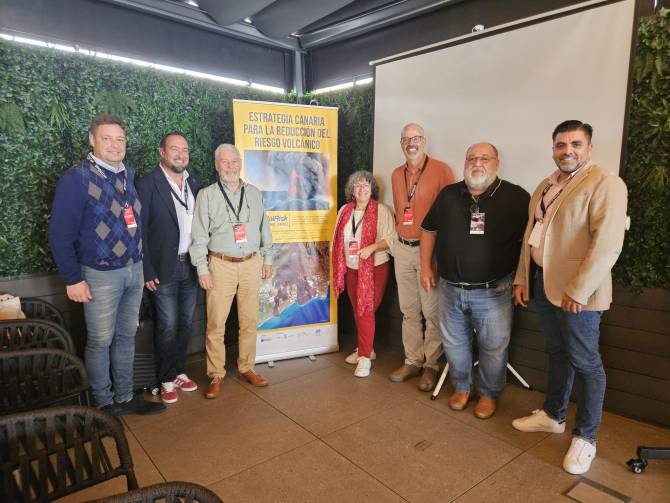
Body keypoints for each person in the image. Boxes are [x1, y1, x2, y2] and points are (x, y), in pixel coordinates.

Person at [512, 120, 628, 475]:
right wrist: (522, 278)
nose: (568, 151)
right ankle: (553, 415)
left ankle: (586, 437)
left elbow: (607, 243)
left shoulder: (605, 182)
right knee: (557, 353)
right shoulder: (547, 184)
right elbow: (532, 233)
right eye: (561, 145)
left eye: (576, 144)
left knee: (586, 362)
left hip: (578, 294)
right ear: (553, 150)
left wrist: (579, 290)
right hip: (543, 284)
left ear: (589, 148)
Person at [49, 114, 165, 416]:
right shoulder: (77, 178)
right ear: (92, 140)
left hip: (133, 270)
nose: (115, 145)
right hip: (100, 274)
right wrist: (73, 279)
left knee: (126, 336)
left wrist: (141, 265)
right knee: (100, 341)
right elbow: (59, 234)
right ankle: (103, 403)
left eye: (120, 139)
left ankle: (125, 397)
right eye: (107, 138)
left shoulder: (127, 175)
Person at [421, 143, 529, 419]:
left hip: (494, 291)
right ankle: (462, 387)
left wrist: (522, 279)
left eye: (484, 158)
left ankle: (489, 394)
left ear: (497, 163)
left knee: (493, 347)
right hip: (449, 289)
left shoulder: (516, 197)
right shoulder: (448, 195)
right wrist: (425, 267)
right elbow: (429, 231)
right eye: (471, 158)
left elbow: (529, 244)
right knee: (454, 343)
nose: (477, 163)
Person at [190, 144, 274, 399]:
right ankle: (216, 374)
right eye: (224, 162)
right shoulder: (207, 195)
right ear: (217, 165)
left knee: (249, 320)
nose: (230, 166)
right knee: (216, 323)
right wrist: (202, 269)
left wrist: (268, 259)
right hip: (220, 265)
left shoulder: (254, 193)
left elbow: (264, 228)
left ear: (240, 163)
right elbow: (199, 235)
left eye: (234, 161)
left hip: (251, 263)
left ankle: (247, 367)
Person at [388, 123, 455, 391]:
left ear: (424, 141)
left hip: (430, 251)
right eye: (406, 139)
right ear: (401, 143)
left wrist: (439, 255)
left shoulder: (441, 170)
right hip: (402, 249)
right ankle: (412, 361)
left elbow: (451, 213)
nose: (411, 143)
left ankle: (431, 365)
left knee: (431, 311)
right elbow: (400, 210)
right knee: (408, 311)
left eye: (415, 138)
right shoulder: (396, 174)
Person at [136, 131, 202, 404]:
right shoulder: (147, 184)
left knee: (185, 323)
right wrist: (146, 269)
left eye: (184, 150)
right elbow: (138, 231)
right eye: (174, 149)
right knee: (167, 325)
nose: (180, 154)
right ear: (162, 152)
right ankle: (165, 378)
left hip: (191, 264)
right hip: (163, 267)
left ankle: (178, 371)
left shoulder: (194, 183)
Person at [332, 171, 395, 377]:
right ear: (351, 190)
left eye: (366, 185)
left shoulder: (382, 211)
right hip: (351, 267)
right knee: (357, 309)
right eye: (357, 185)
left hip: (375, 267)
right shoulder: (345, 210)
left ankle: (365, 358)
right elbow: (337, 238)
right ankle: (366, 348)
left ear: (372, 189)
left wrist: (372, 247)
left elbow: (391, 239)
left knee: (365, 310)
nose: (362, 189)